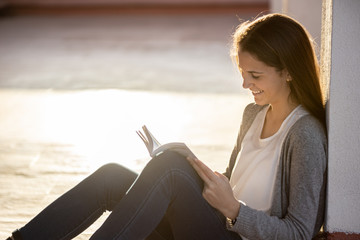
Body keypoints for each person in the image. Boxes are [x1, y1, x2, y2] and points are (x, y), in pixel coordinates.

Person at [7, 13, 327, 240]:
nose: (245, 83)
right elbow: (233, 179)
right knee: (113, 176)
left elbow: (299, 232)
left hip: (235, 233)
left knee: (171, 171)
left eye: (255, 75)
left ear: (287, 72)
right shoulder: (252, 115)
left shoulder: (305, 135)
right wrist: (204, 175)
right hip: (215, 224)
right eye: (242, 72)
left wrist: (233, 210)